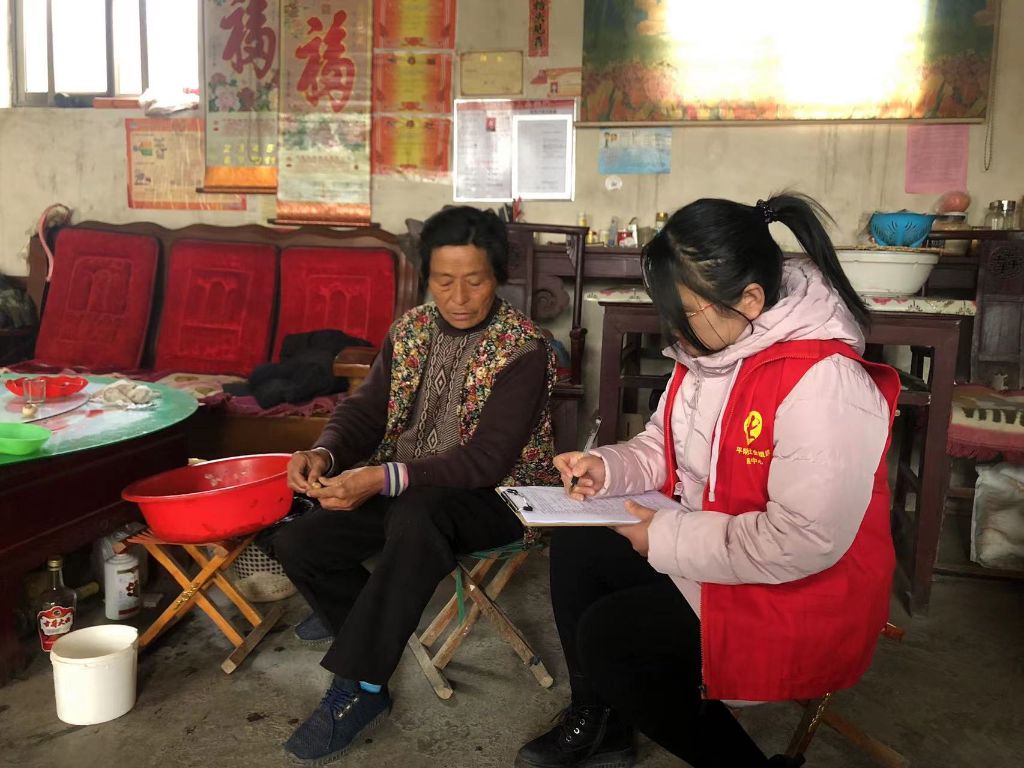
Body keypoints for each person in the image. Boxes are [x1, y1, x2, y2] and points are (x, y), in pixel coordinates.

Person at [516, 194, 900, 768]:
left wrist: (663, 537)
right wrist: (607, 467)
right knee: (580, 540)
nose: (675, 328)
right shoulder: (712, 351)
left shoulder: (825, 383)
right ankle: (603, 724)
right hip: (724, 549)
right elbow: (662, 445)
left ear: (750, 300)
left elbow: (803, 542)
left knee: (613, 639)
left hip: (801, 592)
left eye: (686, 312)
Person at [274, 205, 559, 764]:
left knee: (418, 515)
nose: (459, 298)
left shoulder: (523, 348)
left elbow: (486, 460)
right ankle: (366, 627)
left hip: (498, 497)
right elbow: (365, 412)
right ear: (427, 276)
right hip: (405, 486)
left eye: (474, 281)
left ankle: (361, 686)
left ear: (498, 276)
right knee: (299, 541)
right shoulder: (410, 331)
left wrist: (380, 478)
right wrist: (324, 452)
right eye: (444, 281)